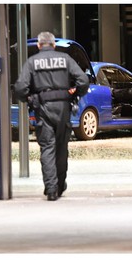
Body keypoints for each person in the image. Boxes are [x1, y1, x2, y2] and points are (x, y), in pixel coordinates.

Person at [14, 31, 89, 201]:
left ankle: (51, 189)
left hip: (43, 109)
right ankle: (60, 185)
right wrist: (75, 93)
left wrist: (30, 99)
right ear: (54, 45)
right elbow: (83, 80)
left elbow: (20, 88)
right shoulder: (66, 59)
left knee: (48, 147)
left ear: (39, 45)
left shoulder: (32, 62)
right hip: (63, 108)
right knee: (61, 147)